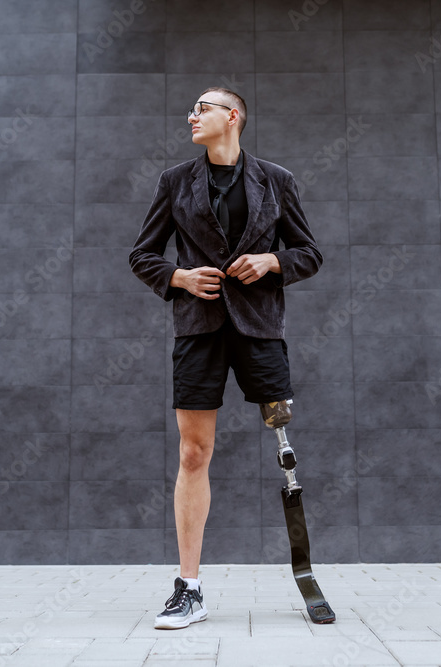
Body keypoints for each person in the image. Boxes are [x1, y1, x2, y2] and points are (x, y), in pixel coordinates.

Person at [128, 87, 323, 629]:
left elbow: (310, 253)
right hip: (198, 330)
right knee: (193, 453)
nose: (192, 115)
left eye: (203, 108)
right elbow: (142, 254)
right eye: (192, 110)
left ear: (231, 116)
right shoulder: (174, 182)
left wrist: (271, 262)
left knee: (285, 446)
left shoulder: (277, 180)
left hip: (260, 331)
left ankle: (306, 574)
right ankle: (188, 588)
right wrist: (177, 276)